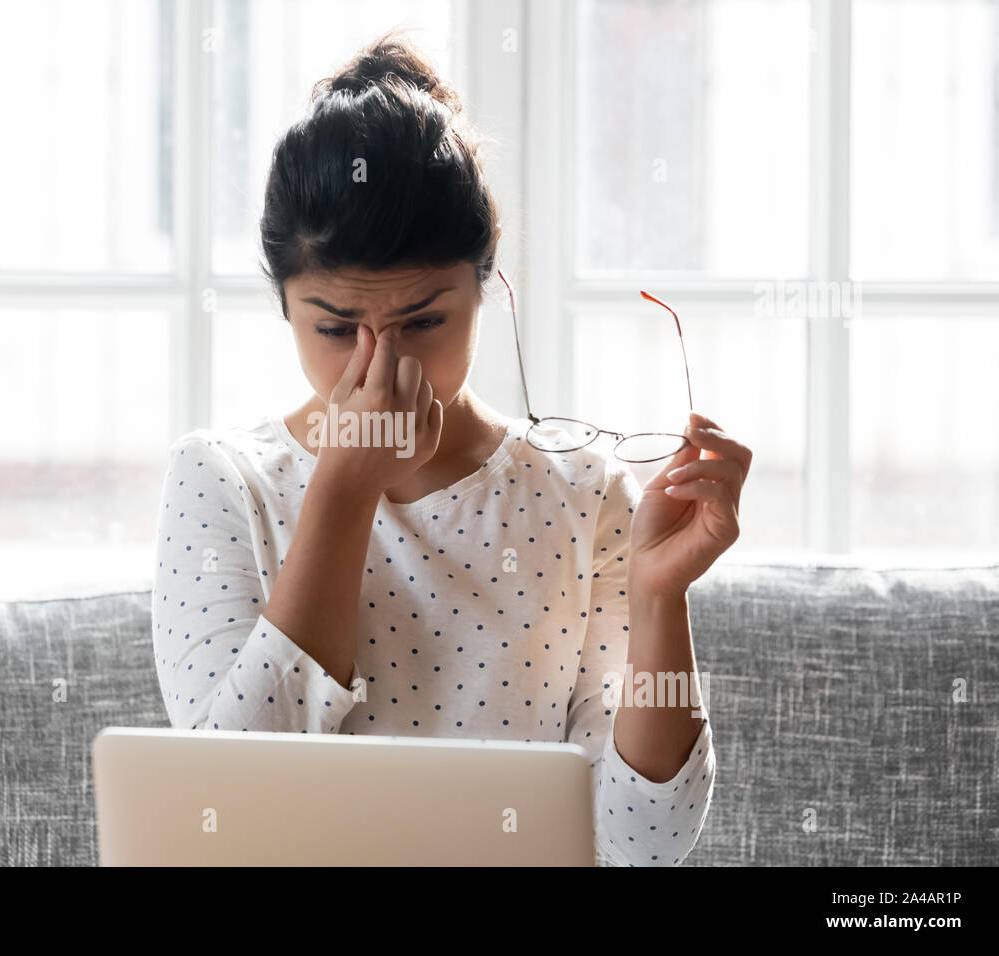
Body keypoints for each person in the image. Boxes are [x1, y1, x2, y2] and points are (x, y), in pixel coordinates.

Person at [151, 30, 752, 866]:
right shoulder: (221, 481)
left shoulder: (584, 496)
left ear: (487, 286)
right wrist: (345, 487)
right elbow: (225, 811)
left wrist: (660, 597)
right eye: (335, 328)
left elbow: (643, 842)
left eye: (424, 321)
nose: (382, 363)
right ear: (284, 306)